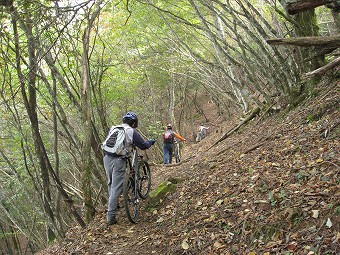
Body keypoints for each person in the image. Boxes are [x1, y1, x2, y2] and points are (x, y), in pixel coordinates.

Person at [103, 112, 156, 225]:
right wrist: (151, 142)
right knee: (116, 188)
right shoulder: (130, 131)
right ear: (134, 123)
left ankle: (115, 204)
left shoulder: (114, 128)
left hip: (107, 158)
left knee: (110, 183)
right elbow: (143, 145)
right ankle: (110, 217)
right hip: (118, 160)